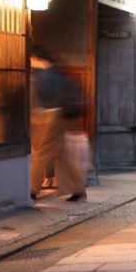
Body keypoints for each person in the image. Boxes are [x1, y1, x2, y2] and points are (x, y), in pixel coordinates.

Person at [29, 48, 87, 201]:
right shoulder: (58, 73)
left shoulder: (42, 75)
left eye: (32, 58)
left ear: (38, 58)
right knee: (63, 155)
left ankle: (32, 189)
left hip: (49, 117)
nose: (31, 62)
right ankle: (78, 188)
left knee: (41, 153)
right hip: (62, 117)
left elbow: (39, 99)